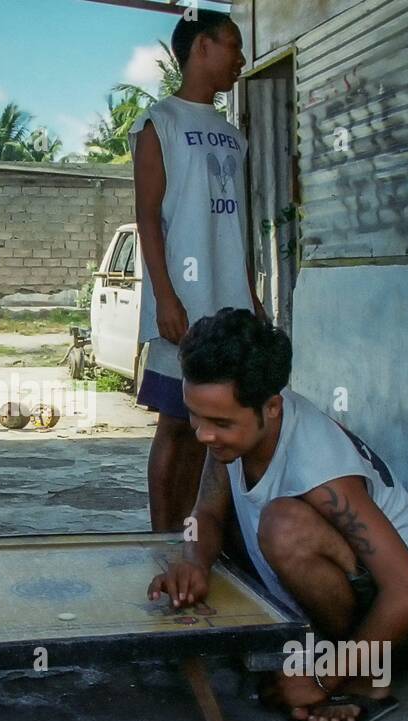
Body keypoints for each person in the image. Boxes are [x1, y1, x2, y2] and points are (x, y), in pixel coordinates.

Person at [147, 310, 408, 721]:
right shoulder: (231, 432)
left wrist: (321, 678)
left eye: (220, 422)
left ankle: (366, 678)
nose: (203, 434)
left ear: (272, 407)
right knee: (234, 531)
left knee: (283, 526)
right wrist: (193, 563)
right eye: (195, 415)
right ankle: (324, 651)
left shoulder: (323, 470)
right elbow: (207, 511)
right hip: (371, 589)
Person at [131, 10, 264, 533]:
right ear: (201, 47)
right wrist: (165, 297)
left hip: (229, 306)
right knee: (177, 423)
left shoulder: (233, 134)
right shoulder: (158, 123)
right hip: (182, 306)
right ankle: (162, 536)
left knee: (216, 428)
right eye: (232, 45)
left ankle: (198, 533)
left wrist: (251, 295)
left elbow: (238, 228)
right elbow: (147, 217)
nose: (240, 59)